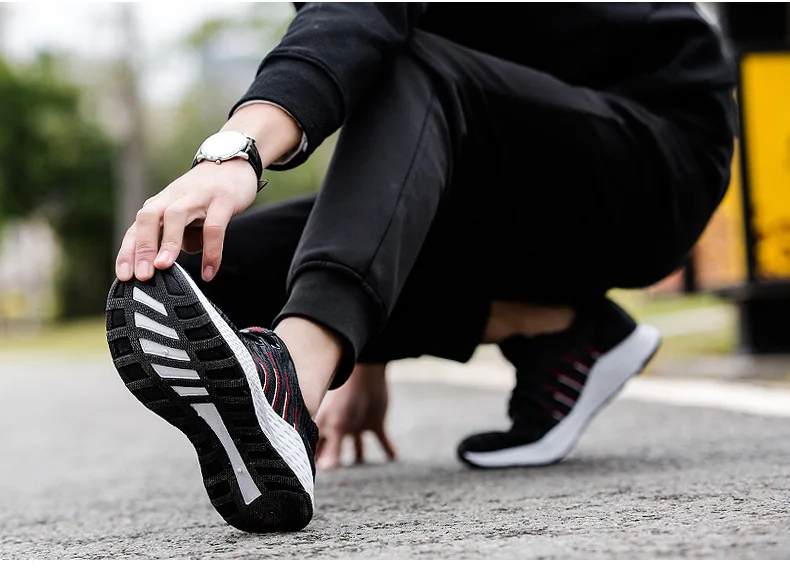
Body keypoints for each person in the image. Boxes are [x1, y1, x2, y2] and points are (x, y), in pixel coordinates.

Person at [105, 3, 736, 533]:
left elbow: (368, 15)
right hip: (490, 182)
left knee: (412, 66)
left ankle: (292, 379)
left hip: (649, 156)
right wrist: (365, 348)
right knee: (204, 269)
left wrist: (233, 153)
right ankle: (560, 330)